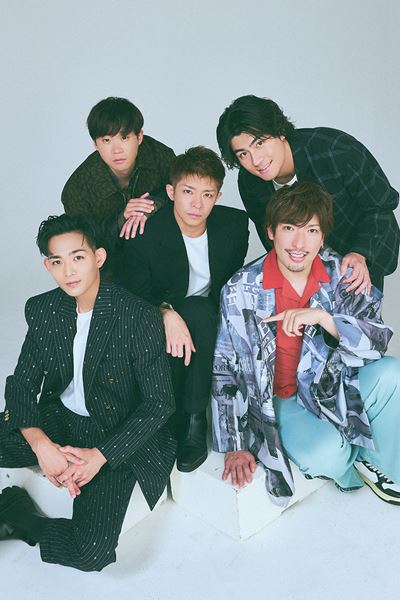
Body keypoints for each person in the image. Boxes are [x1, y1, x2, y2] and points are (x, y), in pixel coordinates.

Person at [0, 214, 176, 571]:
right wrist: (41, 445)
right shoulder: (44, 309)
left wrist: (99, 456)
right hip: (60, 419)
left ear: (98, 257)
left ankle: (22, 518)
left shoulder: (137, 316)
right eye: (57, 261)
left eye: (78, 257)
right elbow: (21, 383)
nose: (68, 271)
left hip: (115, 433)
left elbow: (159, 404)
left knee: (91, 552)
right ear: (47, 266)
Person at [212, 181, 400, 507]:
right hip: (283, 398)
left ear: (322, 237)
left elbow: (377, 340)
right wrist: (233, 444)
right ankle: (358, 466)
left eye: (311, 231)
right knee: (324, 455)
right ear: (270, 232)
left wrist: (325, 319)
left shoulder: (342, 272)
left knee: (392, 373)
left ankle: (383, 467)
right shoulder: (240, 289)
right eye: (289, 228)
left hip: (334, 386)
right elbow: (224, 369)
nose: (300, 243)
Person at [121, 146, 249, 473]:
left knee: (200, 313)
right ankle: (184, 415)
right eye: (188, 192)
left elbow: (232, 284)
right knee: (193, 313)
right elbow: (134, 293)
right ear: (170, 192)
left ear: (218, 196)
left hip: (209, 316)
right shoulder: (144, 232)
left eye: (207, 194)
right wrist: (164, 312)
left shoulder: (234, 225)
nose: (196, 204)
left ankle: (192, 420)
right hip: (156, 317)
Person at [216, 94, 400, 292]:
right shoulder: (249, 182)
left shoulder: (335, 149)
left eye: (259, 143)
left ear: (280, 132)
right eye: (243, 154)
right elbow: (269, 233)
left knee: (357, 309)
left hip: (362, 249)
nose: (256, 161)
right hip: (305, 267)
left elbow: (381, 205)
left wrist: (360, 253)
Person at [62, 96, 175, 277]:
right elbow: (85, 245)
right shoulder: (77, 189)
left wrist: (152, 203)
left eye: (124, 138)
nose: (117, 150)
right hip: (111, 271)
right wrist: (121, 218)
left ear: (139, 137)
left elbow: (184, 193)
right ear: (95, 144)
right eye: (106, 140)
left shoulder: (160, 156)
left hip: (161, 255)